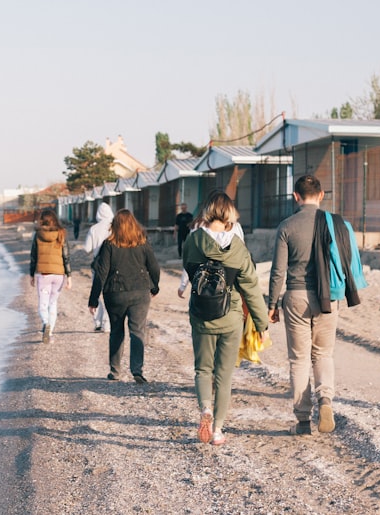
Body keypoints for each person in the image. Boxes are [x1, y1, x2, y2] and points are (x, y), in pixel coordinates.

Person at [268, 174, 359, 436]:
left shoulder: (287, 226)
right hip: (328, 296)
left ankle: (303, 421)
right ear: (321, 195)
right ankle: (326, 400)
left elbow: (278, 271)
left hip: (296, 296)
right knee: (323, 354)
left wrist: (272, 304)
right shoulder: (335, 224)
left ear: (295, 196)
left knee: (298, 360)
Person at [180, 191, 269, 446]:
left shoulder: (194, 240)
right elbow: (250, 287)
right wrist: (261, 323)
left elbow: (188, 267)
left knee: (202, 369)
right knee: (224, 375)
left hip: (201, 315)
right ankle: (217, 429)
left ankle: (205, 408)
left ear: (206, 211)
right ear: (230, 213)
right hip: (230, 316)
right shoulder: (238, 247)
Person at [89, 209, 160, 383]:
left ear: (115, 226)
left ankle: (115, 371)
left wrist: (93, 299)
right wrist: (154, 287)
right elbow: (154, 267)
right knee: (137, 331)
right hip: (140, 292)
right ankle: (137, 370)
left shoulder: (109, 244)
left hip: (115, 293)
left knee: (116, 331)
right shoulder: (143, 243)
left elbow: (101, 273)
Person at [28, 208, 71, 344]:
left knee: (43, 304)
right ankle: (50, 332)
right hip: (58, 274)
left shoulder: (38, 234)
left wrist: (31, 274)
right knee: (53, 303)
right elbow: (66, 256)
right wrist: (69, 276)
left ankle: (46, 323)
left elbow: (33, 256)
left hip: (43, 274)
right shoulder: (61, 234)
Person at [84, 202, 114, 332]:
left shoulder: (94, 229)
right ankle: (107, 324)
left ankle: (97, 322)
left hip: (98, 265)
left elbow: (87, 249)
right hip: (114, 264)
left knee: (98, 293)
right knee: (109, 294)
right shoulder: (115, 228)